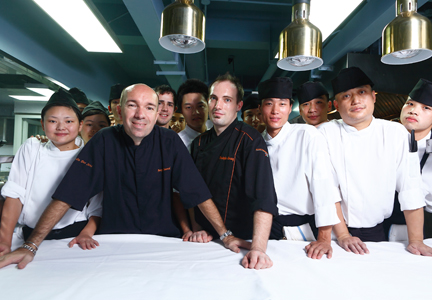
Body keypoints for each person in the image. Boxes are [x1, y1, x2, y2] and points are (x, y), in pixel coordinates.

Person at [0, 84, 257, 270]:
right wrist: (31, 245)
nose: (140, 114)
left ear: (157, 114)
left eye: (148, 107)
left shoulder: (170, 142)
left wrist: (226, 235)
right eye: (132, 105)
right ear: (120, 111)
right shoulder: (103, 141)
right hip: (112, 242)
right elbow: (67, 194)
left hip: (164, 241)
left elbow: (197, 192)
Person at [319, 67, 432, 258]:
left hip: (377, 232)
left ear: (373, 97)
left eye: (362, 92)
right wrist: (344, 234)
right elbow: (326, 189)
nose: (355, 101)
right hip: (333, 232)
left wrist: (416, 241)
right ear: (336, 105)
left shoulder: (395, 133)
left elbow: (410, 188)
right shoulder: (323, 133)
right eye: (346, 96)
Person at [191, 73, 279, 269]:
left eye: (227, 100)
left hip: (241, 241)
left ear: (238, 106)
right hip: (206, 239)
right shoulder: (197, 144)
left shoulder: (251, 141)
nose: (218, 106)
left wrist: (258, 249)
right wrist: (196, 228)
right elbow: (193, 192)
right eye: (213, 98)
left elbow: (263, 199)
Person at [0, 89, 102, 257]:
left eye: (69, 121)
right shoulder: (32, 148)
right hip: (28, 236)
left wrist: (86, 234)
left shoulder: (89, 155)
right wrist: (4, 240)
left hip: (73, 239)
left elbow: (97, 206)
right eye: (53, 121)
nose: (61, 127)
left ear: (80, 125)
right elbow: (15, 195)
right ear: (42, 124)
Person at [259, 77, 340, 259]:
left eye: (282, 104)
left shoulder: (307, 135)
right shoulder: (256, 142)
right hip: (266, 227)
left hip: (300, 229)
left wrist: (324, 239)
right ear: (260, 109)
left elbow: (323, 186)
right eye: (269, 104)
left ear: (289, 108)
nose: (275, 111)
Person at [398, 79, 432, 226]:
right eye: (410, 103)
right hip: (375, 231)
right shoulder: (385, 143)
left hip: (426, 231)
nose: (413, 110)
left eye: (426, 108)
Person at [177, 79, 210, 150]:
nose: (195, 112)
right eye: (189, 107)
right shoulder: (178, 143)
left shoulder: (218, 134)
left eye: (200, 106)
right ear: (182, 111)